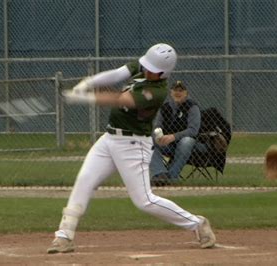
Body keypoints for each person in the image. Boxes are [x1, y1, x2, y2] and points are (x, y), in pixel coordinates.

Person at [47, 43, 216, 254]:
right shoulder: (144, 67)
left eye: (152, 69)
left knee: (144, 201)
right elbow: (117, 74)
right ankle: (64, 235)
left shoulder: (157, 91)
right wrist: (88, 82)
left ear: (163, 73)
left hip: (133, 145)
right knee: (84, 180)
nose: (146, 69)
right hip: (109, 138)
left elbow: (120, 99)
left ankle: (197, 223)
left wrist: (82, 97)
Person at [149, 80, 208, 186]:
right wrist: (159, 137)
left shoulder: (192, 107)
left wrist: (173, 137)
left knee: (187, 141)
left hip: (192, 146)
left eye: (181, 90)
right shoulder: (165, 107)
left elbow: (193, 131)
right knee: (148, 141)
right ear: (171, 92)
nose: (178, 93)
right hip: (169, 144)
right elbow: (157, 126)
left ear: (186, 93)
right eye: (175, 90)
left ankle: (171, 177)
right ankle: (161, 174)